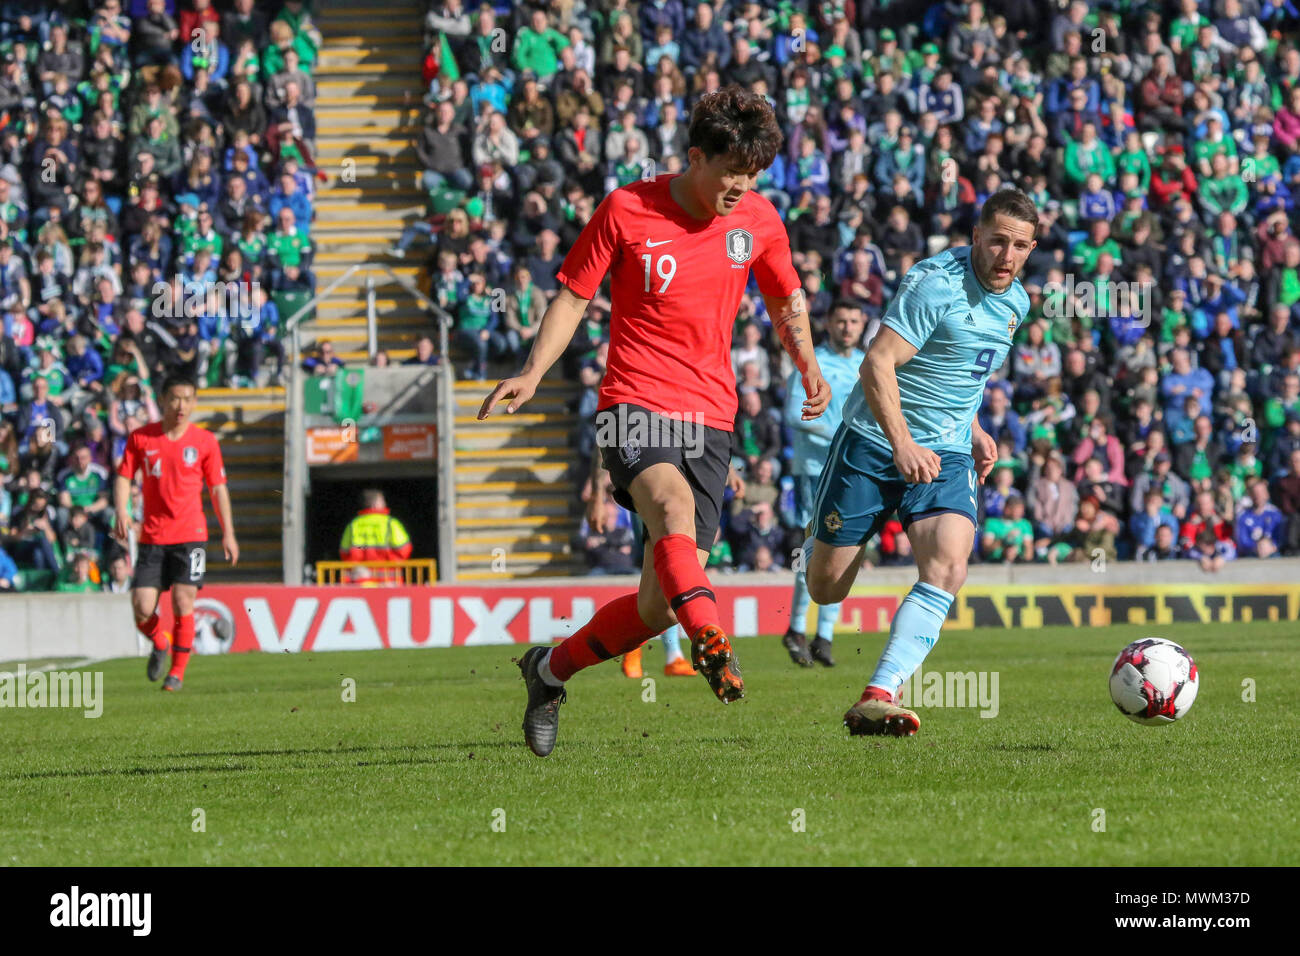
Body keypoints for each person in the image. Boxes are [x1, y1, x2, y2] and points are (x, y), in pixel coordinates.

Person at [479, 86, 829, 757]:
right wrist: (531, 372)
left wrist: (807, 364)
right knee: (668, 507)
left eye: (754, 176)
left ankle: (548, 672)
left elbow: (788, 300)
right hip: (631, 403)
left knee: (656, 606)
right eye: (732, 173)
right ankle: (710, 642)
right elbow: (573, 296)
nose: (742, 188)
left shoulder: (757, 219)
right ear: (695, 156)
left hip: (711, 417)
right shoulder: (627, 207)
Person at [803, 188, 1037, 737]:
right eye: (998, 241)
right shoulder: (934, 284)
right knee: (826, 589)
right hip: (872, 442)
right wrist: (903, 444)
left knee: (949, 565)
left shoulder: (1017, 303)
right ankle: (833, 534)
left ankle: (878, 693)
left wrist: (975, 430)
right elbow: (877, 364)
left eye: (1020, 246)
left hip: (948, 452)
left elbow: (963, 374)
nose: (1007, 256)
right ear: (976, 236)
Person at [113, 375, 239, 692]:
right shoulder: (141, 438)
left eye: (187, 398)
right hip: (153, 537)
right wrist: (122, 510)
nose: (181, 405)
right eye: (175, 398)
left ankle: (177, 674)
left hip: (191, 535)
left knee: (184, 602)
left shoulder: (205, 442)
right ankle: (160, 642)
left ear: (195, 402)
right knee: (142, 607)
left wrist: (229, 532)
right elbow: (124, 476)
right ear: (163, 400)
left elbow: (218, 488)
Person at [781, 299, 866, 667]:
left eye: (853, 320)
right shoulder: (812, 365)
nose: (847, 327)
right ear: (828, 324)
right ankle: (797, 627)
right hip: (815, 470)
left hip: (851, 471)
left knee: (845, 550)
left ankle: (825, 637)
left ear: (863, 324)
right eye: (841, 320)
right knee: (812, 547)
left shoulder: (868, 363)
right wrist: (838, 435)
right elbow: (792, 415)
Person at [339, 488, 412, 583]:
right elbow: (404, 550)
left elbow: (344, 552)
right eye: (382, 501)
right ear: (375, 504)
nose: (385, 503)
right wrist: (391, 562)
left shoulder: (353, 525)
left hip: (361, 579)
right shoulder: (390, 523)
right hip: (388, 578)